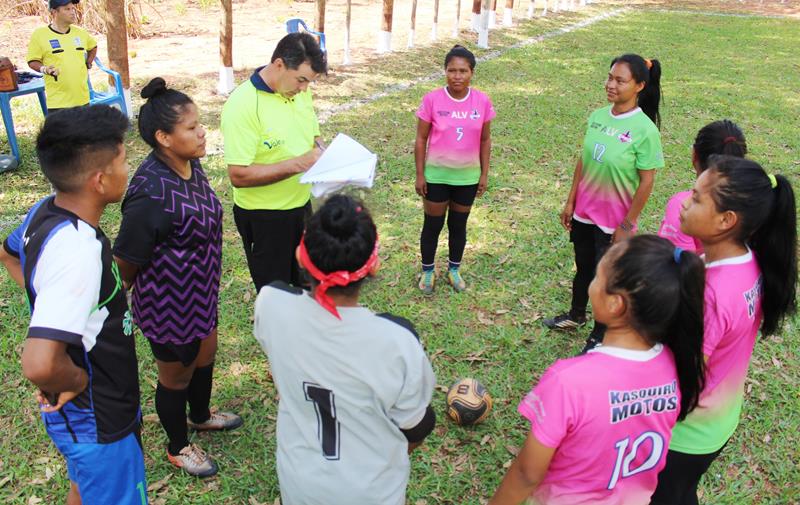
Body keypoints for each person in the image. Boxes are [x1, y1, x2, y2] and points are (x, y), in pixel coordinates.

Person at [0, 105, 146, 505]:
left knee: (83, 489)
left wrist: (51, 304)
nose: (126, 169)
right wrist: (77, 381)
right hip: (96, 412)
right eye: (123, 160)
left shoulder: (46, 210)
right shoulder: (77, 251)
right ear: (100, 180)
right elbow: (40, 364)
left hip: (86, 417)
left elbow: (10, 254)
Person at [490, 235, 706, 505]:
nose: (591, 285)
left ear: (615, 303)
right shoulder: (674, 364)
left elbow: (526, 474)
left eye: (597, 277)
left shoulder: (568, 381)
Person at [253, 195, 436, 505]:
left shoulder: (270, 304)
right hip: (373, 491)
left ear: (301, 254)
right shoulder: (396, 340)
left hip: (300, 483)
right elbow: (416, 427)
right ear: (374, 265)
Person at [114, 78, 241, 478]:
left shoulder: (190, 164)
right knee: (175, 376)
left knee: (206, 356)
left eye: (199, 123)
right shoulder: (150, 194)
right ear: (163, 137)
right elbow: (125, 263)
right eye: (191, 127)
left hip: (201, 293)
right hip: (168, 306)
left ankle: (200, 415)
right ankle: (177, 446)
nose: (202, 132)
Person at [651, 156, 797, 505]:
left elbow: (682, 377)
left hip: (684, 435)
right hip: (719, 420)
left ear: (726, 220)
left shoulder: (712, 294)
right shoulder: (748, 259)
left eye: (698, 198)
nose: (684, 202)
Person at [544, 54, 664, 353]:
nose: (611, 84)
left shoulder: (645, 130)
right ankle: (575, 315)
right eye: (610, 77)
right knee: (583, 267)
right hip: (585, 212)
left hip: (614, 220)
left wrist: (627, 224)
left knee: (605, 279)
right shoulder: (597, 116)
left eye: (620, 80)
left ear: (639, 85)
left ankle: (600, 335)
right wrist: (571, 201)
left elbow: (647, 182)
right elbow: (584, 161)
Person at [221, 32, 327, 291]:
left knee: (307, 283)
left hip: (301, 208)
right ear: (279, 64)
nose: (304, 89)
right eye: (301, 79)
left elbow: (314, 137)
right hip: (264, 218)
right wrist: (301, 164)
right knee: (275, 293)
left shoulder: (300, 92)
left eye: (309, 82)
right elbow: (239, 175)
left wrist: (326, 155)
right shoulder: (243, 105)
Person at [415, 44, 495, 294]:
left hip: (467, 178)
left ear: (472, 73)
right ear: (445, 71)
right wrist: (420, 175)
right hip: (437, 176)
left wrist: (483, 173)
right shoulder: (432, 100)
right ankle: (428, 271)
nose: (457, 76)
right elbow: (420, 139)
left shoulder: (481, 100)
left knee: (458, 226)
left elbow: (485, 139)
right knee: (433, 225)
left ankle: (454, 269)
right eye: (452, 70)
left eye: (463, 71)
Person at [658, 120, 747, 253]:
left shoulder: (681, 206)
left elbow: (673, 267)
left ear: (694, 155)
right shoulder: (757, 202)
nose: (688, 204)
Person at [27, 0, 98, 112]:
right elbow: (32, 61)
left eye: (73, 8)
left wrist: (88, 62)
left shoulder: (80, 33)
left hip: (83, 100)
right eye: (67, 9)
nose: (73, 12)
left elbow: (93, 47)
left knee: (84, 130)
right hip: (58, 103)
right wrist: (44, 69)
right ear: (54, 12)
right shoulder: (40, 35)